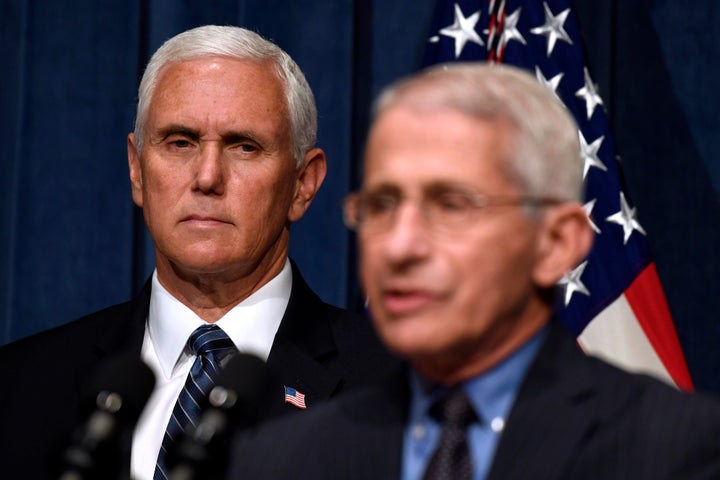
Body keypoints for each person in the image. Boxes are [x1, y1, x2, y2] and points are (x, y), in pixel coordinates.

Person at [228, 63, 720, 479]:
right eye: (381, 205)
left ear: (555, 242)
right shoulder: (283, 461)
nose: (400, 246)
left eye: (451, 206)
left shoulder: (675, 451)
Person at [0, 25, 395, 480]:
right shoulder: (18, 387)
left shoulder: (397, 390)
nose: (207, 177)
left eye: (244, 146)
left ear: (303, 183)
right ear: (136, 169)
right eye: (180, 142)